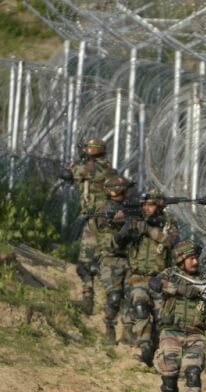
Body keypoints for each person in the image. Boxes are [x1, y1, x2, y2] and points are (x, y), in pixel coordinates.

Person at [150, 240, 206, 392]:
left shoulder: (205, 283)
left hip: (195, 335)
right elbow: (155, 284)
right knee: (169, 379)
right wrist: (183, 289)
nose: (195, 262)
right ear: (181, 260)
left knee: (193, 372)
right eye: (191, 258)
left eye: (196, 258)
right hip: (171, 333)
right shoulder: (171, 274)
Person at [114, 189, 181, 366]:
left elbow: (172, 242)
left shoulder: (168, 222)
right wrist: (126, 229)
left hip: (160, 278)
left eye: (150, 205)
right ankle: (144, 348)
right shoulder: (136, 220)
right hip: (138, 277)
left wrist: (149, 230)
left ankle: (154, 350)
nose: (147, 208)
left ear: (158, 205)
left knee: (161, 318)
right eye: (144, 205)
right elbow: (117, 244)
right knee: (140, 307)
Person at [60, 138, 117, 315]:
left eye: (86, 148)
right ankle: (87, 301)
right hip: (92, 221)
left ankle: (115, 305)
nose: (83, 150)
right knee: (84, 265)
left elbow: (69, 174)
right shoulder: (94, 166)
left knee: (104, 265)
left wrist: (70, 169)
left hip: (103, 224)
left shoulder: (99, 167)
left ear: (94, 151)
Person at [95, 174, 134, 346]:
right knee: (114, 297)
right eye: (123, 191)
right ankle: (109, 329)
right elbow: (106, 239)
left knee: (130, 297)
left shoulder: (130, 208)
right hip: (111, 261)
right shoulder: (104, 211)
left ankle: (128, 332)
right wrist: (122, 227)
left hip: (130, 260)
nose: (126, 195)